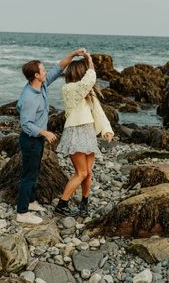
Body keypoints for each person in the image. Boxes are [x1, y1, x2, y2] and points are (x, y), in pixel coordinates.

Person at [16, 48, 87, 224]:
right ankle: (22, 213)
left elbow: (58, 68)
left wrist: (73, 54)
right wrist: (44, 132)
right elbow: (25, 125)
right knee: (28, 176)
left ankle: (31, 202)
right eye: (43, 70)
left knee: (35, 171)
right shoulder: (29, 98)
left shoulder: (42, 84)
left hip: (36, 139)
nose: (46, 71)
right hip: (30, 140)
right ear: (36, 75)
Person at [55, 51, 114, 217]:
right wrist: (89, 60)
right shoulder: (69, 89)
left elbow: (98, 111)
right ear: (81, 73)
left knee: (88, 173)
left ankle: (84, 204)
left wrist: (106, 130)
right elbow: (89, 80)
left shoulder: (88, 92)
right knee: (81, 173)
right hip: (75, 132)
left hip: (88, 131)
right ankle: (62, 204)